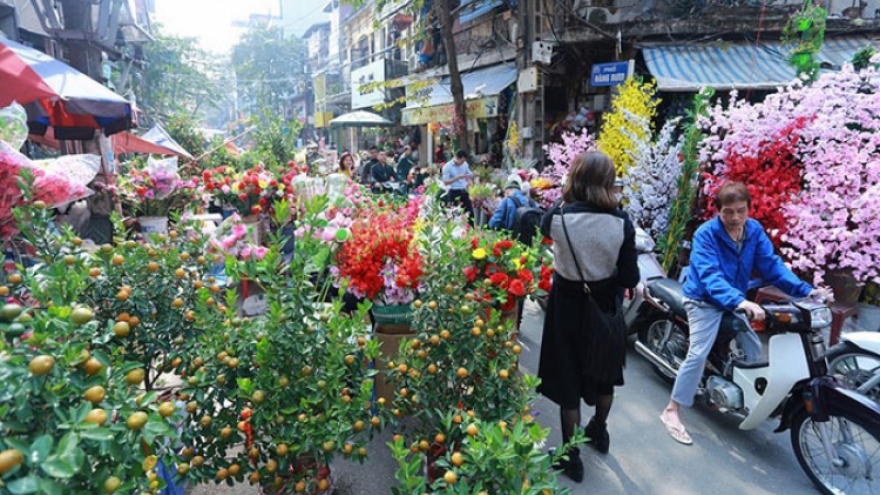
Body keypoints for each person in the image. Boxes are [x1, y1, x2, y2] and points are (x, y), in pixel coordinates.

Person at [659, 181, 832, 446]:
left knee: (752, 347)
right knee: (697, 354)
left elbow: (771, 266)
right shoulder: (706, 234)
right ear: (718, 211)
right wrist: (740, 301)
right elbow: (710, 276)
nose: (735, 217)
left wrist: (805, 291)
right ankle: (672, 410)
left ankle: (745, 396)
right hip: (704, 300)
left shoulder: (753, 231)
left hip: (735, 301)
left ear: (749, 209)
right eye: (729, 211)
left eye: (741, 210)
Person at [537, 151, 639, 482]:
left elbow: (543, 229)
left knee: (568, 375)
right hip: (604, 307)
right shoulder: (622, 222)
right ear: (609, 183)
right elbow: (629, 278)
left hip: (566, 307)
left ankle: (570, 456)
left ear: (574, 179)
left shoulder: (559, 217)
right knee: (603, 372)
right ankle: (600, 429)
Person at [441, 150, 474, 222]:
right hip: (453, 191)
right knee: (454, 214)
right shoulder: (447, 166)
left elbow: (469, 174)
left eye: (464, 161)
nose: (462, 163)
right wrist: (457, 177)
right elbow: (445, 182)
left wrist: (472, 176)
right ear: (457, 158)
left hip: (464, 191)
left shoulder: (464, 164)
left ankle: (471, 230)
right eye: (461, 161)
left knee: (470, 213)